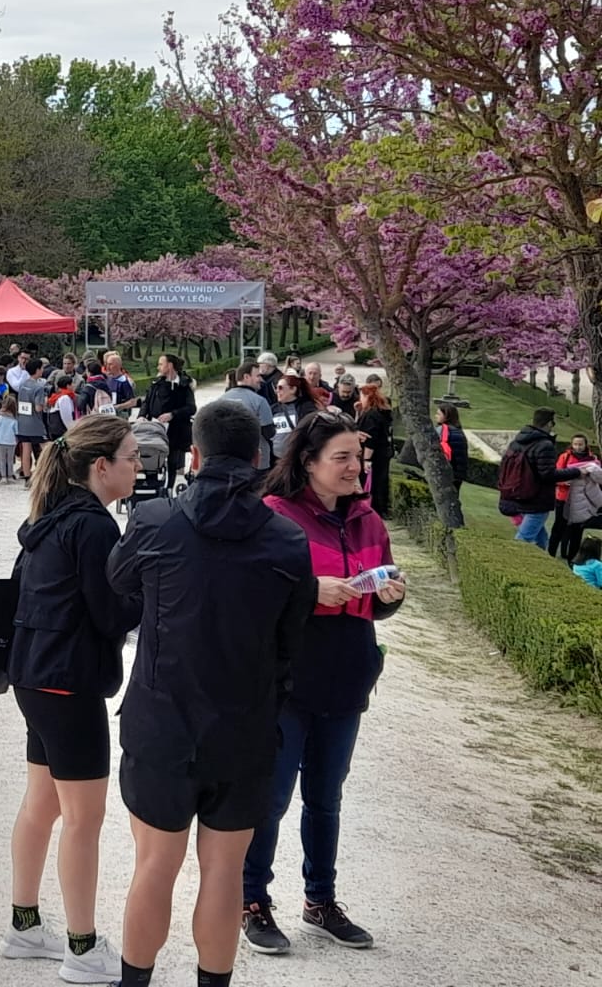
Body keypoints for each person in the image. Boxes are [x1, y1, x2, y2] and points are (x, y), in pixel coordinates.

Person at [107, 402, 317, 987]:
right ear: (258, 456)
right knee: (224, 875)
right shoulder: (286, 539)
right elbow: (290, 636)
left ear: (194, 455)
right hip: (244, 727)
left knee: (154, 866)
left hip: (161, 721)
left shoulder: (152, 520)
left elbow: (118, 581)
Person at [241, 412, 408, 955]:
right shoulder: (274, 517)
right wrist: (310, 593)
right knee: (271, 798)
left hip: (347, 675)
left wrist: (391, 597)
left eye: (358, 458)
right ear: (307, 463)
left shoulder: (369, 522)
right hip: (288, 677)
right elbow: (250, 595)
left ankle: (320, 899)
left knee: (326, 798)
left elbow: (377, 605)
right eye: (341, 458)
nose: (355, 468)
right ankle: (251, 899)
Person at [0, 415, 140, 981]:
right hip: (68, 680)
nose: (138, 466)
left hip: (35, 675)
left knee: (44, 804)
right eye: (131, 457)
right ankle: (82, 949)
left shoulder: (51, 515)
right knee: (84, 817)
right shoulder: (95, 527)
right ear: (100, 466)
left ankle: (25, 925)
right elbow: (110, 616)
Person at [498, 407, 596, 546]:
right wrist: (577, 472)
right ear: (549, 423)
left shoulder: (518, 441)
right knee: (523, 541)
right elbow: (548, 474)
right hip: (537, 499)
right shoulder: (544, 445)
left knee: (541, 539)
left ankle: (545, 561)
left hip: (519, 494)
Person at [140, 353, 197, 483]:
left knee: (173, 460)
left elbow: (191, 408)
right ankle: (151, 484)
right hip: (155, 429)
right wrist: (142, 416)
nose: (158, 367)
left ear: (170, 365)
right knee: (151, 458)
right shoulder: (156, 384)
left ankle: (170, 486)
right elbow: (147, 402)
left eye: (161, 364)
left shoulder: (184, 385)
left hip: (176, 430)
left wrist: (172, 414)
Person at [550, 434, 602, 563]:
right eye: (575, 444)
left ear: (585, 445)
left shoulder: (593, 460)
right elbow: (555, 475)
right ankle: (551, 553)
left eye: (580, 444)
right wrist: (563, 483)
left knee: (577, 530)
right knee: (559, 527)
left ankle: (573, 559)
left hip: (583, 500)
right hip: (564, 498)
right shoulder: (565, 457)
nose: (578, 447)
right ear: (571, 445)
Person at [223, 363, 276, 473]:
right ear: (246, 377)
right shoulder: (259, 401)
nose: (261, 379)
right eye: (257, 376)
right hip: (257, 462)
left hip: (228, 461)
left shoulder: (221, 400)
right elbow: (269, 432)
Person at [354, 383, 394, 517]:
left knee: (372, 482)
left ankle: (373, 508)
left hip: (373, 455)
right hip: (383, 452)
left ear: (366, 396)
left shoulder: (371, 415)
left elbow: (370, 438)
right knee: (381, 480)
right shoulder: (383, 412)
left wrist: (366, 459)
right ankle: (382, 508)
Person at [15, 359, 50, 480]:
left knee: (26, 448)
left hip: (23, 421)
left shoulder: (22, 385)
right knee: (46, 447)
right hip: (35, 423)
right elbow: (39, 408)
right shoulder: (39, 387)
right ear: (38, 370)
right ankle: (47, 473)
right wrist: (46, 401)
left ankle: (27, 477)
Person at [270, 374, 313, 464]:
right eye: (276, 388)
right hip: (276, 459)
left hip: (297, 459)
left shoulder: (306, 408)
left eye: (280, 388)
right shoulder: (273, 409)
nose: (277, 391)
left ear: (293, 389)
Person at [434, 403, 470, 497]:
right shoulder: (459, 431)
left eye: (438, 414)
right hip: (459, 473)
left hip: (448, 471)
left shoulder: (442, 429)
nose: (436, 416)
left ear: (446, 416)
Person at [0, 395, 21, 483]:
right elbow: (17, 432)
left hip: (1, 440)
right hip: (11, 441)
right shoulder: (14, 420)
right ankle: (10, 475)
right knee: (10, 459)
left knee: (2, 459)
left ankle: (3, 476)